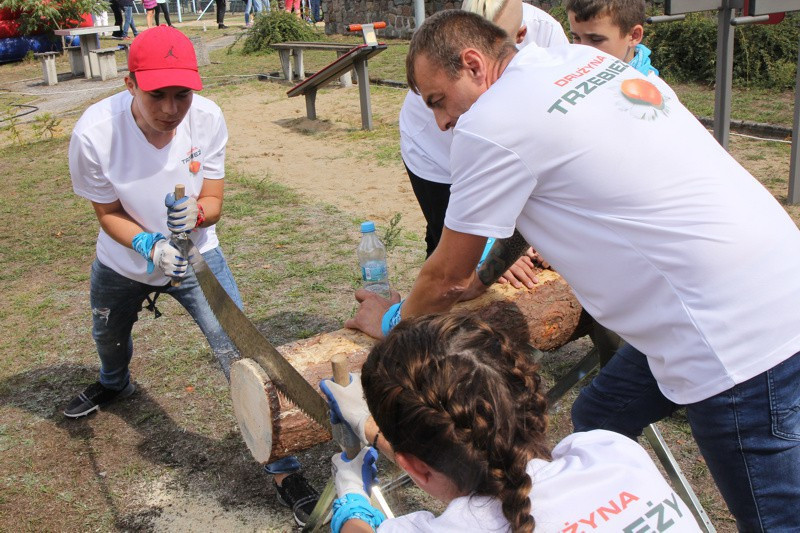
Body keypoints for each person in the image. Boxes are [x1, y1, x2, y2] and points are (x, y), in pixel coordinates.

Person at [346, 10, 800, 530]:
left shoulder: (490, 124)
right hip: (774, 277)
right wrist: (485, 278)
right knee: (598, 417)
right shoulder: (583, 62)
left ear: (473, 64)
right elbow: (529, 202)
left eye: (437, 101)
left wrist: (393, 340)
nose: (442, 123)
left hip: (732, 340)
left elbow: (444, 276)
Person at [63, 26, 319, 528]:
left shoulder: (208, 119)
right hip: (123, 262)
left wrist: (197, 217)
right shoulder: (93, 135)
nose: (171, 109)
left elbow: (215, 200)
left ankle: (284, 471)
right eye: (158, 94)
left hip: (197, 260)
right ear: (129, 83)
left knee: (243, 355)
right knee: (108, 335)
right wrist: (147, 243)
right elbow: (108, 211)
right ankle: (114, 383)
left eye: (183, 94)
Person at [322, 313, 700, 532]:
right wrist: (372, 429)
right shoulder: (611, 452)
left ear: (413, 466)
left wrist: (351, 499)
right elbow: (476, 444)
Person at [399, 0, 567, 289]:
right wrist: (492, 254)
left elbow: (544, 160)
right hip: (435, 157)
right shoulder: (444, 107)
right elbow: (454, 262)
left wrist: (546, 235)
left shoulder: (548, 34)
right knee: (450, 249)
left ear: (521, 36)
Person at [566, 0, 657, 77]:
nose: (583, 50)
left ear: (634, 36)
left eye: (596, 39)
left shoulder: (650, 92)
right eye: (576, 37)